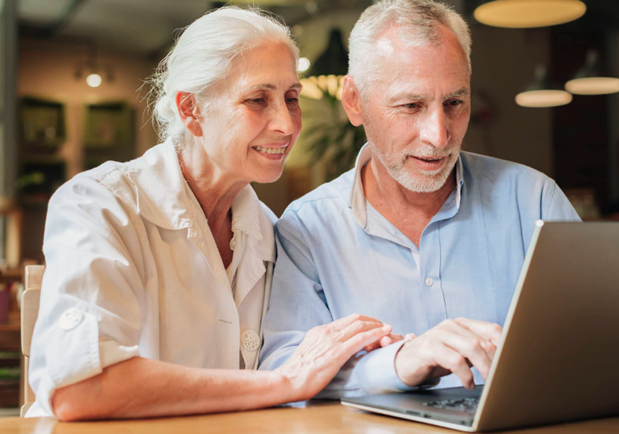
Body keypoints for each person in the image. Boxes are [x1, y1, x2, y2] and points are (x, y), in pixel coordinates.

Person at [27, 7, 396, 421]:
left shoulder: (273, 232)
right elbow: (80, 389)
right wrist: (285, 382)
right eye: (257, 99)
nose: (287, 125)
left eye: (291, 98)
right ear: (191, 111)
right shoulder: (100, 204)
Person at [259, 0, 581, 396]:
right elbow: (282, 368)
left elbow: (601, 334)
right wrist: (398, 363)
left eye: (454, 103)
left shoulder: (533, 201)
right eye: (411, 106)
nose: (439, 136)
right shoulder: (308, 227)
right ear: (354, 102)